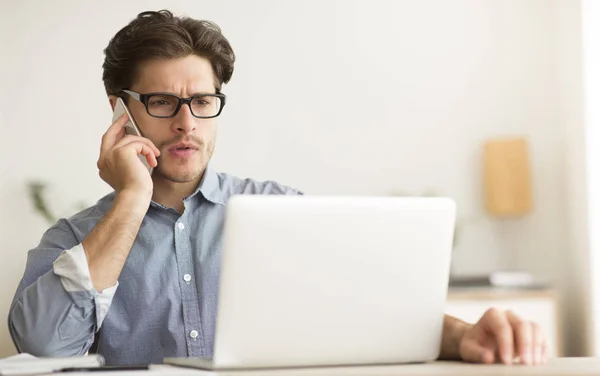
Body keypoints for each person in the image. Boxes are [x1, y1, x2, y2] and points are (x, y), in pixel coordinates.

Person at [8, 9, 548, 366]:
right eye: (162, 102)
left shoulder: (280, 213)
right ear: (121, 112)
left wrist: (463, 335)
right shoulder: (74, 241)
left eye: (202, 101)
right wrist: (132, 199)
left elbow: (368, 306)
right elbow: (43, 345)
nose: (187, 124)